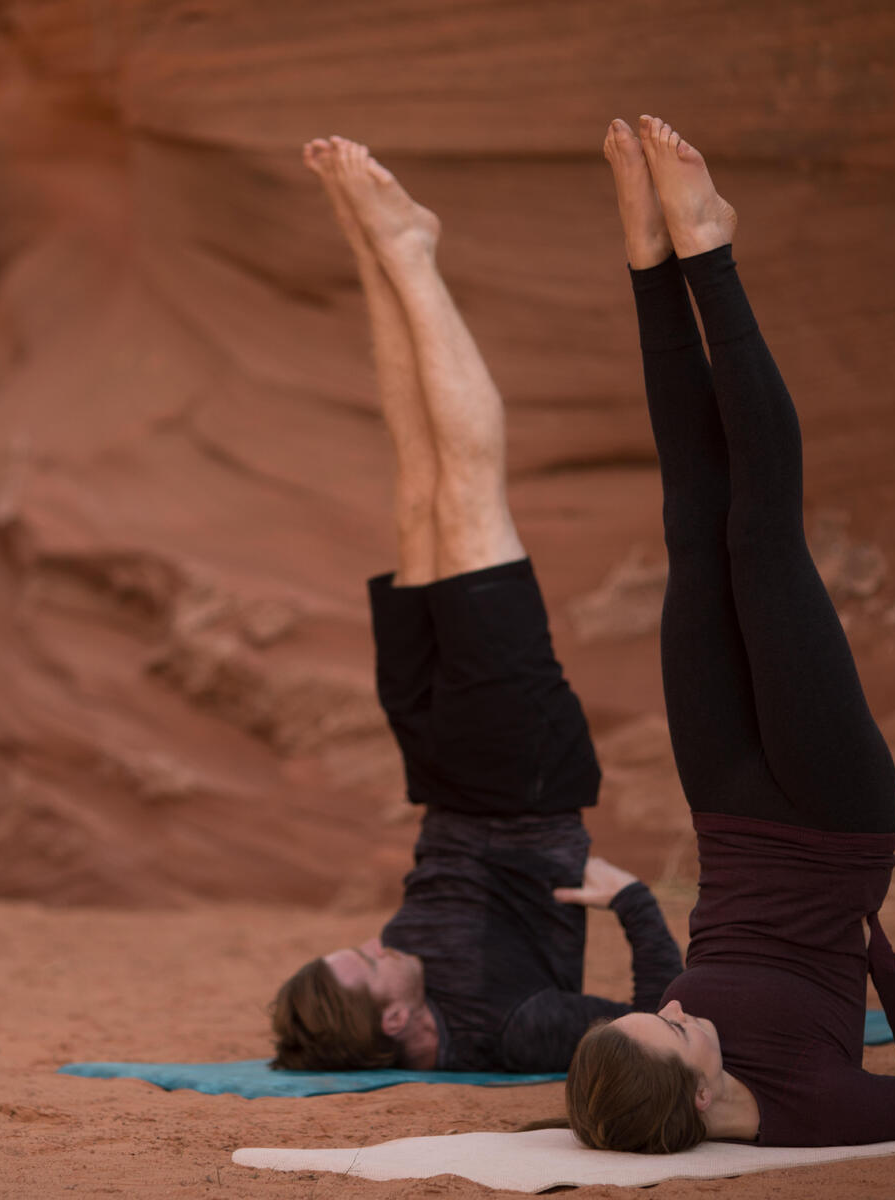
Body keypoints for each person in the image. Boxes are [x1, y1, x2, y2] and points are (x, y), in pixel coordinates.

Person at [559, 115, 895, 1150]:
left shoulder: (659, 1057)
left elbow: (660, 1009)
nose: (668, 1008)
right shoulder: (811, 1109)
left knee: (691, 534)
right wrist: (874, 948)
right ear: (703, 1098)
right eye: (671, 1031)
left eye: (647, 1014)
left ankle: (648, 260)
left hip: (731, 818)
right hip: (836, 820)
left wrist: (630, 916)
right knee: (761, 536)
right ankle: (709, 248)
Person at [269, 137, 683, 1076]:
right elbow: (669, 1025)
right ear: (394, 1024)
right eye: (373, 962)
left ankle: (375, 248)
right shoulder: (515, 1028)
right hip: (520, 776)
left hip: (441, 772)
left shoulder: (393, 990)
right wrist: (633, 904)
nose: (378, 943)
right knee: (466, 491)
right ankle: (409, 252)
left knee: (417, 488)